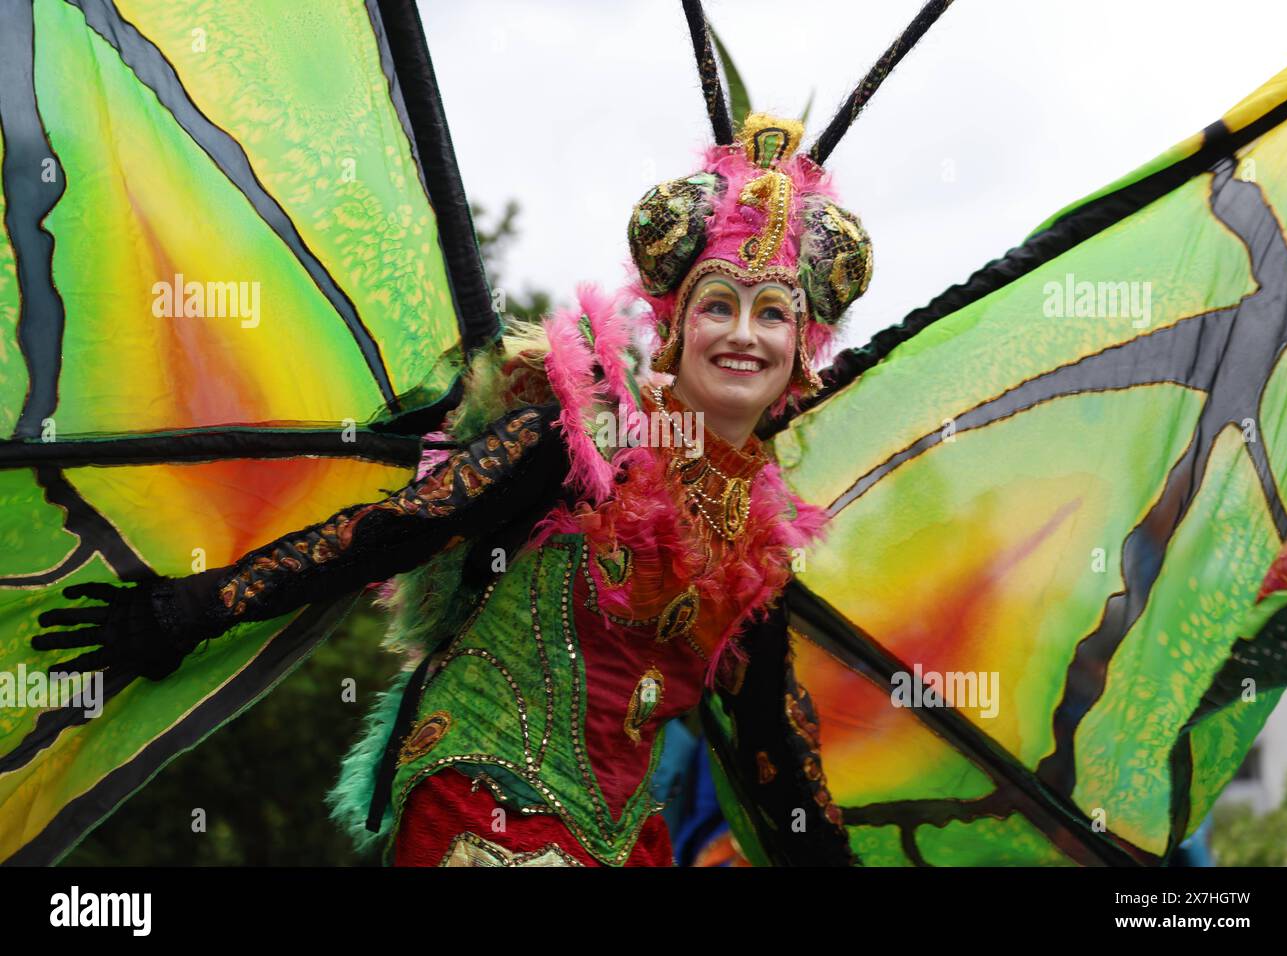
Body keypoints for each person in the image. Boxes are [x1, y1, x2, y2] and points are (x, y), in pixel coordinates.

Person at [32, 112, 873, 867]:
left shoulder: (757, 562)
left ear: (803, 350)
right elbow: (393, 532)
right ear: (676, 327)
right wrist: (190, 609)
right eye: (718, 304)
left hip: (624, 844)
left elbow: (775, 763)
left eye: (772, 314)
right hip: (484, 806)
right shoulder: (577, 444)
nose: (741, 334)